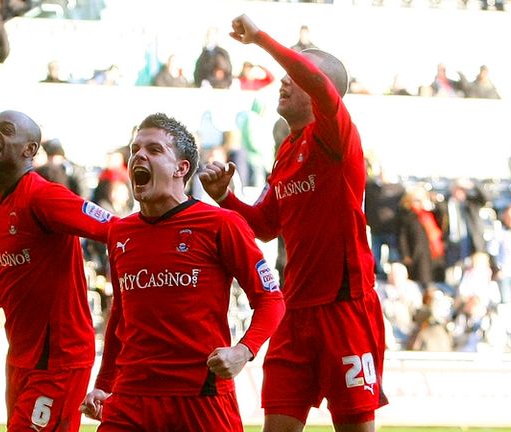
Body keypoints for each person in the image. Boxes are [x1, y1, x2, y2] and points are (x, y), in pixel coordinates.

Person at [199, 15, 388, 432]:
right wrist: (226, 198)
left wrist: (262, 40)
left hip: (344, 308)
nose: (283, 82)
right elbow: (265, 226)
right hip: (295, 313)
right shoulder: (287, 151)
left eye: (293, 77)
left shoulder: (337, 135)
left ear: (321, 88)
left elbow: (318, 83)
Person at [80, 113, 285, 431]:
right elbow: (120, 315)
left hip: (200, 396)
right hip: (131, 397)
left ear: (182, 168)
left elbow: (271, 299)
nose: (139, 156)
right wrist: (104, 383)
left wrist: (243, 352)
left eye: (154, 149)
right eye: (135, 149)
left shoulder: (221, 224)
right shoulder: (120, 233)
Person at [0, 110, 116, 432]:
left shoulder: (45, 197)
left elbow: (117, 228)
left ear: (30, 150)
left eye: (6, 130)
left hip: (60, 360)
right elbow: (8, 273)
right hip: (22, 357)